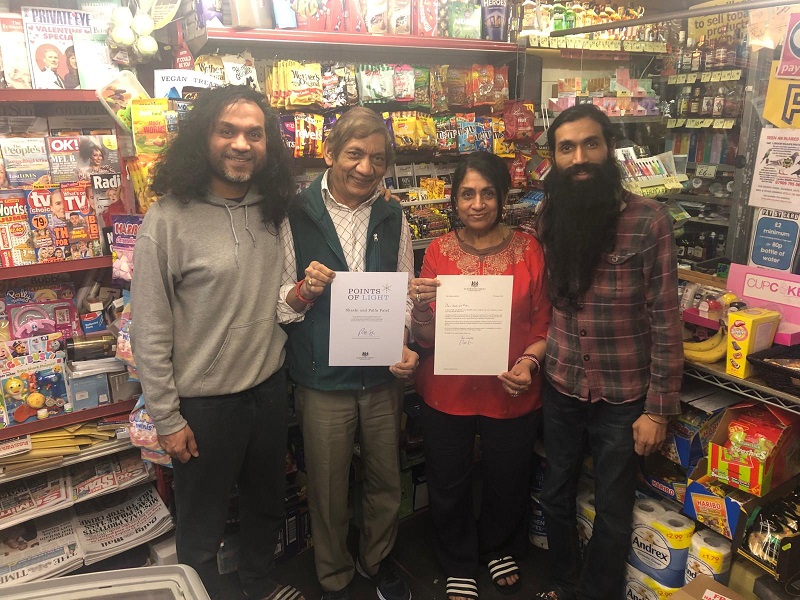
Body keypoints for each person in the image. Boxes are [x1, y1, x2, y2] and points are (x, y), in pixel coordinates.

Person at [130, 85, 303, 600]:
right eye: (227, 130)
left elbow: (284, 293)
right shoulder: (167, 219)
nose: (241, 144)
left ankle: (259, 583)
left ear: (268, 144)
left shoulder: (276, 211)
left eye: (254, 133)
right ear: (203, 137)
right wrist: (166, 417)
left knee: (266, 505)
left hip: (268, 390)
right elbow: (150, 327)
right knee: (201, 530)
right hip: (202, 406)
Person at [533, 104, 683, 600]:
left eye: (590, 144)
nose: (580, 158)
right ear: (553, 157)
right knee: (555, 493)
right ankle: (564, 582)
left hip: (623, 397)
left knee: (614, 510)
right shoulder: (547, 215)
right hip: (561, 385)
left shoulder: (648, 220)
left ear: (609, 147)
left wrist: (659, 410)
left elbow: (665, 318)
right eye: (567, 148)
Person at [278, 107, 418, 600]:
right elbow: (280, 302)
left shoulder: (392, 214)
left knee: (386, 480)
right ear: (330, 153)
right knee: (328, 487)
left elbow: (402, 293)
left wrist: (402, 342)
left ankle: (374, 560)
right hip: (323, 378)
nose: (365, 168)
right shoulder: (295, 213)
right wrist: (304, 291)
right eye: (354, 155)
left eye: (377, 159)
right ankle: (334, 575)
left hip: (381, 375)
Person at [408, 152, 551, 600]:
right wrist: (421, 308)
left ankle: (498, 547)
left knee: (508, 474)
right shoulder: (437, 250)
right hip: (446, 388)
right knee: (447, 477)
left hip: (512, 387)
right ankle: (457, 559)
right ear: (453, 200)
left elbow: (545, 320)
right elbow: (425, 334)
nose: (477, 203)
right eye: (467, 194)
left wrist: (529, 363)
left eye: (487, 193)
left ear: (502, 197)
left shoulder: (529, 249)